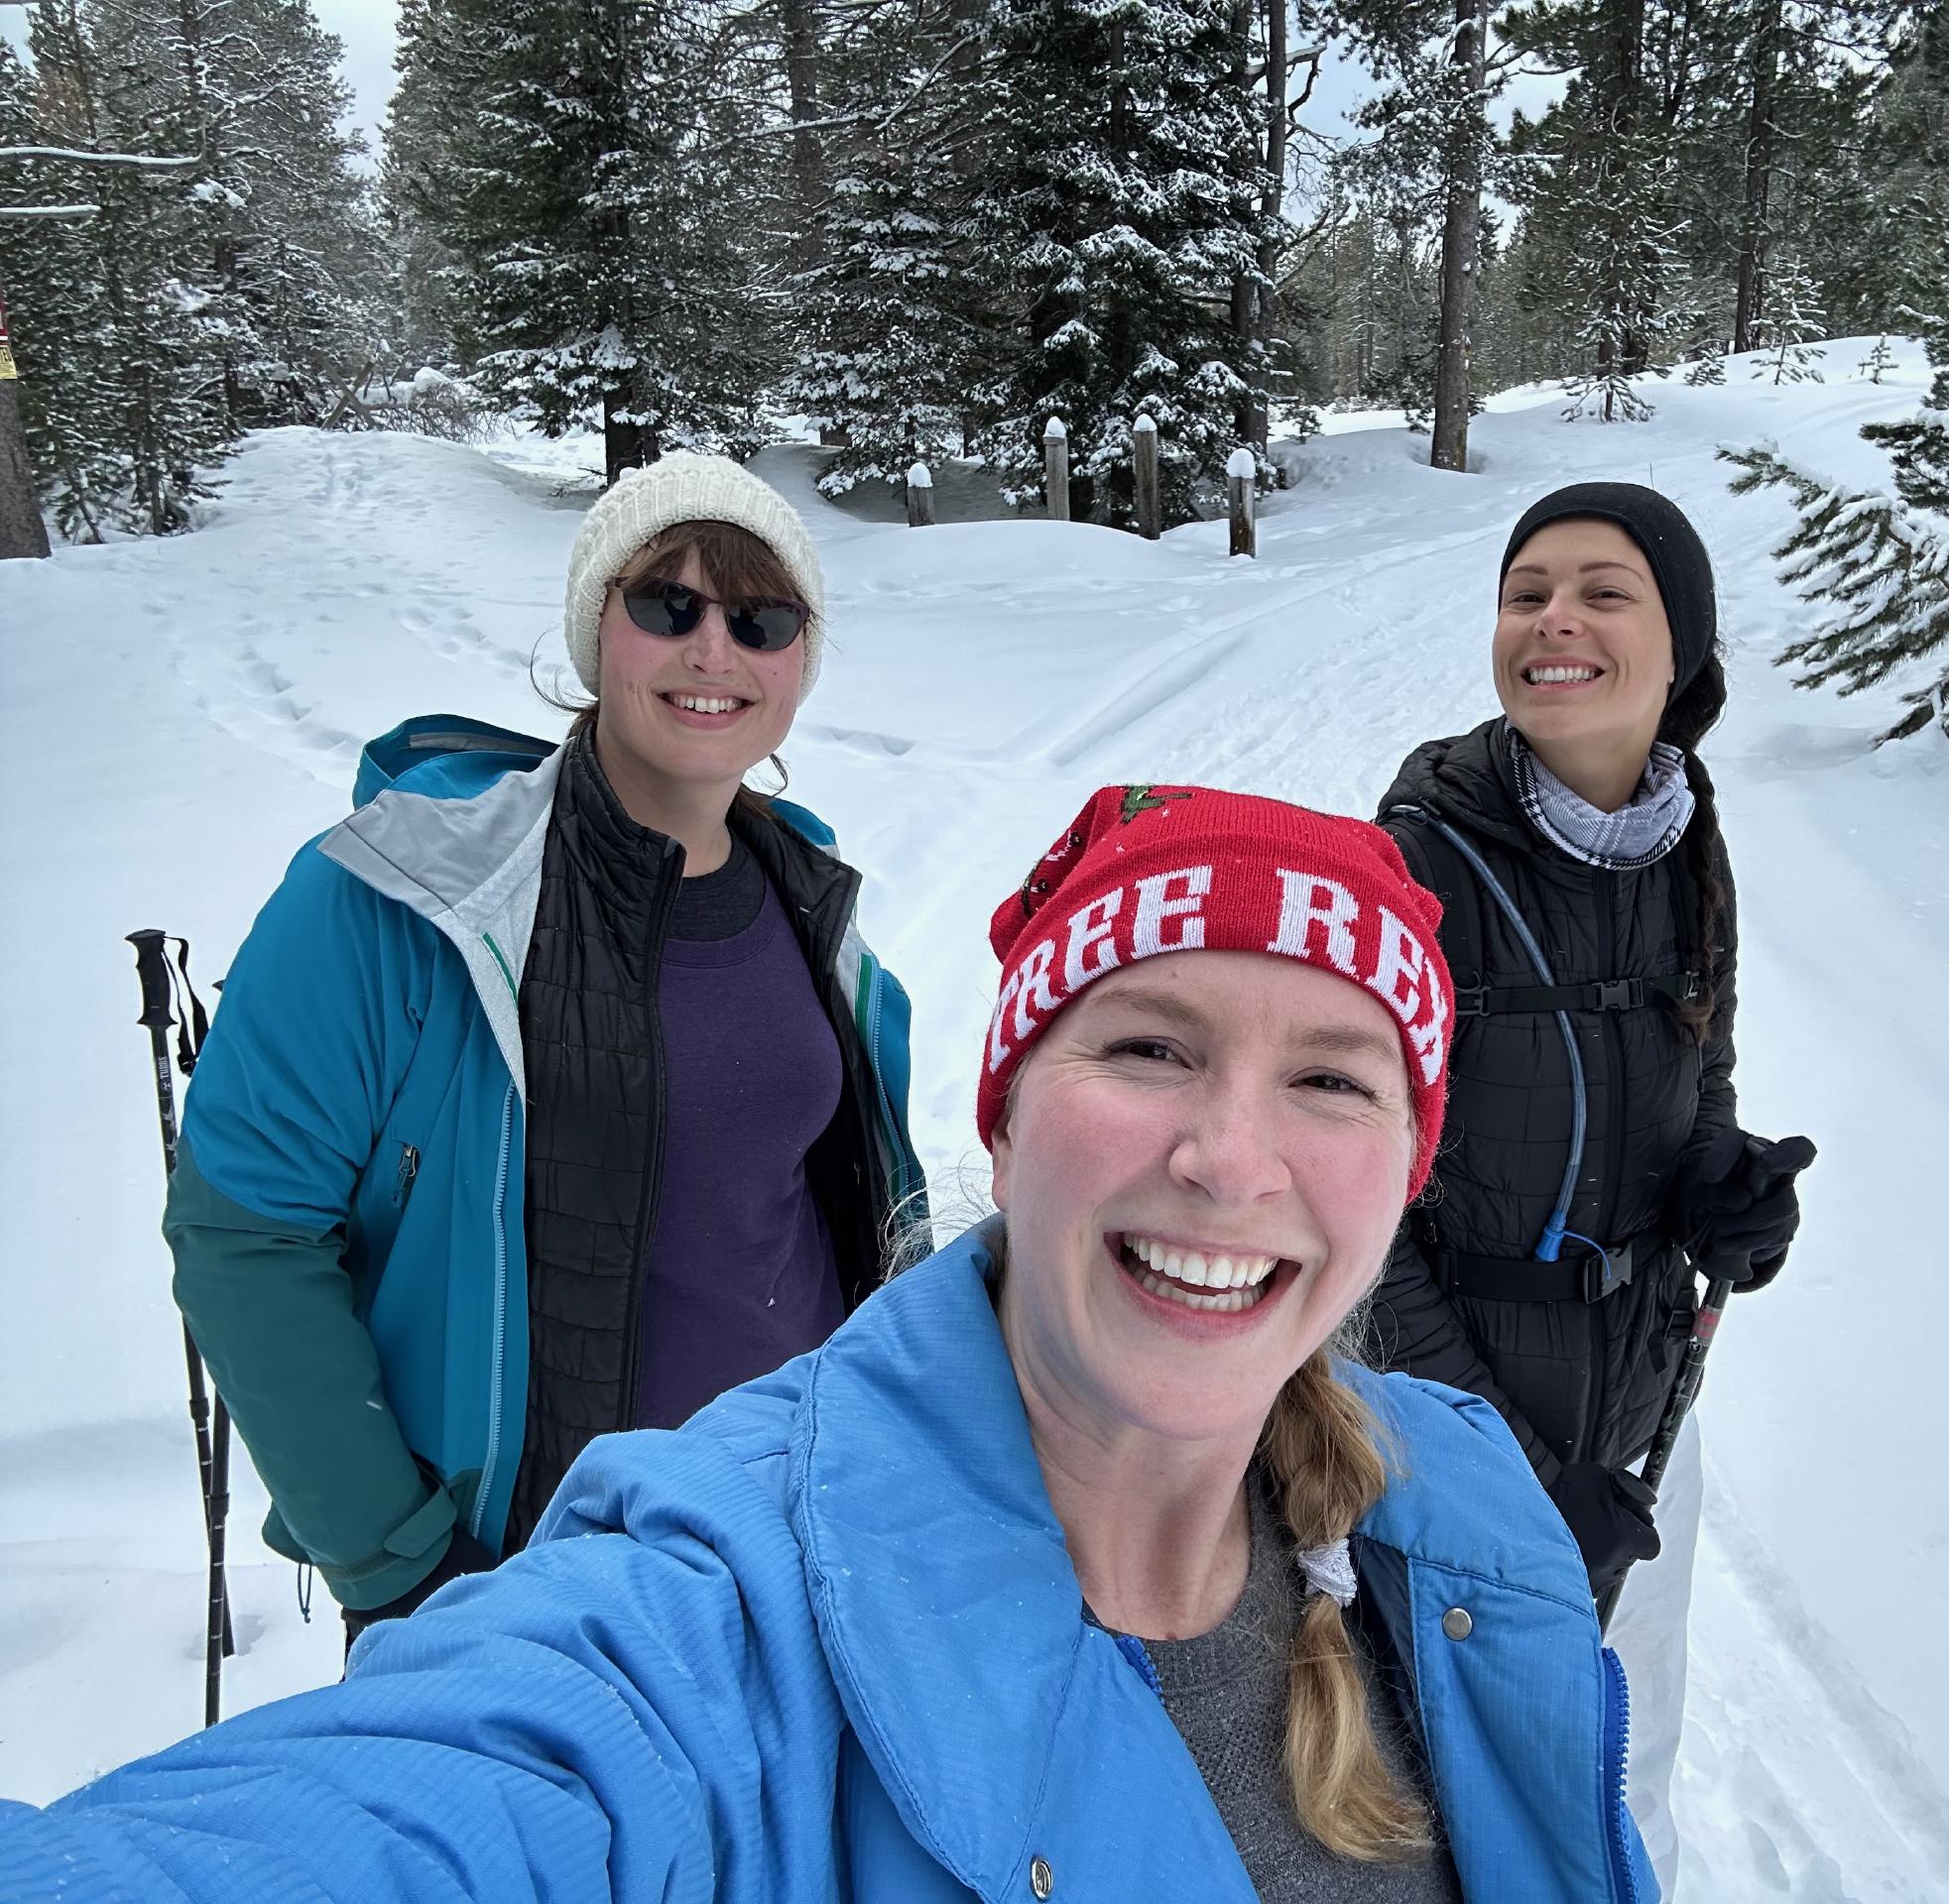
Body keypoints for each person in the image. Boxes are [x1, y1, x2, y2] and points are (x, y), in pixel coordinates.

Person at [1, 784, 1658, 1904]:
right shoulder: (720, 1619)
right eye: (1150, 1045)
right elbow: (453, 1797)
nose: (1232, 1156)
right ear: (1004, 1130)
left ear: (1407, 1170)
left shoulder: (1458, 1514)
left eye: (1331, 1077)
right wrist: (392, 1548)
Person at [159, 451, 926, 1644]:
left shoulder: (807, 893)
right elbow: (242, 1235)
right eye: (666, 605)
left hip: (795, 1548)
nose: (712, 650)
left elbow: (837, 1214)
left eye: (760, 618)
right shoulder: (405, 897)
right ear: (595, 630)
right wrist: (398, 1565)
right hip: (529, 1585)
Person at [1370, 482, 1815, 1597]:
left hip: (1641, 1439)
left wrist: (1727, 1198)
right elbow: (1350, 1222)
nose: (1550, 618)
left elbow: (1701, 1070)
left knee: (1624, 1760)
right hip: (1437, 1456)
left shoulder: (1683, 848)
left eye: (1602, 594)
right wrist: (1511, 1474)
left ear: (1681, 651)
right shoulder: (1412, 869)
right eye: (1525, 594)